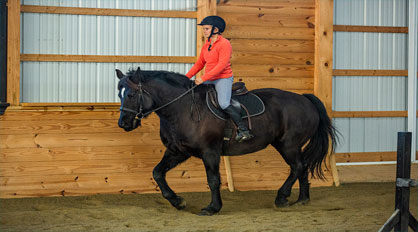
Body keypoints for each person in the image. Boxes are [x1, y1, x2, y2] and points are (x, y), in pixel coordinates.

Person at [185, 15, 253, 142]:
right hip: (210, 78)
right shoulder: (207, 45)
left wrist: (203, 78)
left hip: (223, 78)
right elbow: (200, 63)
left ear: (215, 30)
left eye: (206, 29)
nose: (204, 31)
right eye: (204, 29)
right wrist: (185, 78)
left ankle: (243, 130)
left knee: (223, 103)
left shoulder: (224, 44)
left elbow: (221, 66)